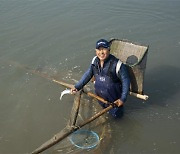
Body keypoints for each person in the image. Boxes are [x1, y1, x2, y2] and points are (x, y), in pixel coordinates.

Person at [71, 39, 130, 118]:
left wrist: (122, 99)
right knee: (104, 114)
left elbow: (126, 81)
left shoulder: (118, 65)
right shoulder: (94, 61)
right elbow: (88, 75)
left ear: (109, 50)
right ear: (96, 51)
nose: (101, 52)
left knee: (117, 119)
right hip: (100, 98)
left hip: (114, 103)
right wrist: (77, 87)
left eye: (104, 49)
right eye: (99, 49)